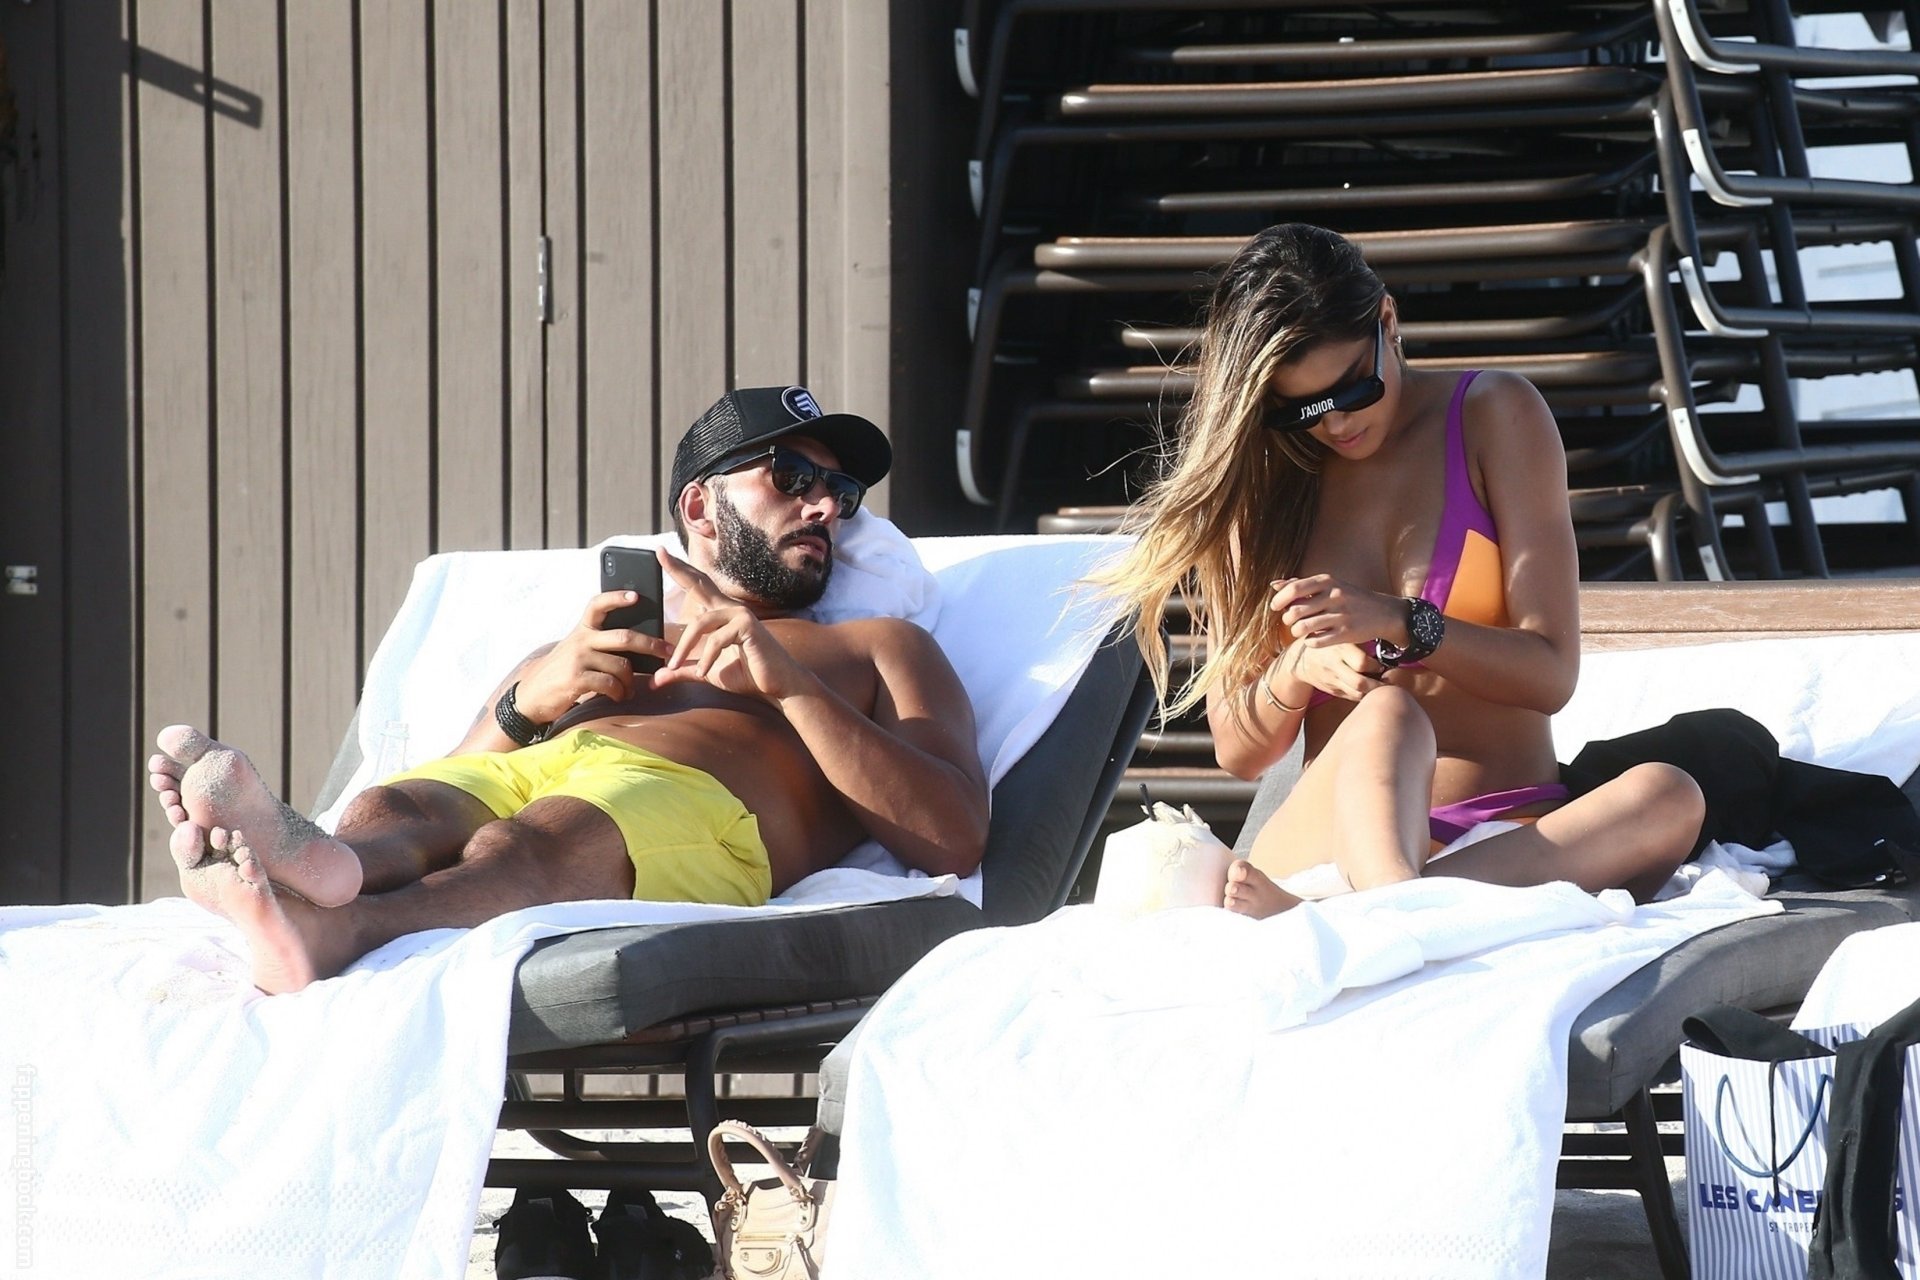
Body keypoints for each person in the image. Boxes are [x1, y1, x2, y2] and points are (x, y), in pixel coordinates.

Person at [147, 385, 990, 993]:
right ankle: (324, 867)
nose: (826, 509)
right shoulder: (593, 634)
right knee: (396, 805)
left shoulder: (875, 648)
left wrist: (789, 687)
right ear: (701, 507)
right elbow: (456, 774)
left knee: (543, 836)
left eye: (842, 492)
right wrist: (532, 698)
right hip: (538, 767)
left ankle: (340, 926)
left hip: (683, 804)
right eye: (793, 477)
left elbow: (953, 840)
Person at [1097, 224, 1703, 918]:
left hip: (1505, 833)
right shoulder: (1259, 486)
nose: (1335, 425)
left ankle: (1389, 912)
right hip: (1333, 845)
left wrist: (1403, 622)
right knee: (1388, 712)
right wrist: (1296, 670)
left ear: (1387, 319)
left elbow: (1550, 674)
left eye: (1354, 389)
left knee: (1669, 795)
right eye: (1300, 410)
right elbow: (1239, 750)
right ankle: (1396, 903)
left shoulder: (1493, 415)